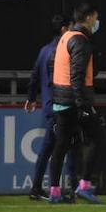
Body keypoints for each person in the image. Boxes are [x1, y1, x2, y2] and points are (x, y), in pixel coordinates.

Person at [49, 3, 103, 205]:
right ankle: (85, 185)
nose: (97, 22)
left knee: (61, 145)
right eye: (96, 17)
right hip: (76, 101)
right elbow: (77, 76)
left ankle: (54, 192)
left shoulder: (66, 37)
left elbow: (58, 66)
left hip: (61, 99)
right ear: (89, 18)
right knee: (98, 139)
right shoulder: (81, 40)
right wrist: (84, 106)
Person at [24, 14, 77, 201]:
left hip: (49, 106)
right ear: (64, 29)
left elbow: (34, 77)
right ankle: (72, 187)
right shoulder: (62, 51)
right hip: (60, 106)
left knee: (49, 148)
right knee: (66, 146)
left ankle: (37, 187)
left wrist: (31, 98)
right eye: (71, 26)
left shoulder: (44, 50)